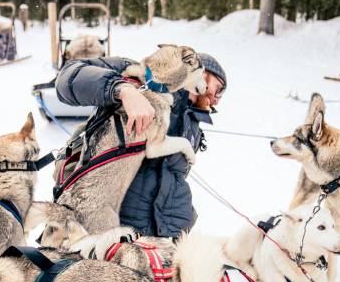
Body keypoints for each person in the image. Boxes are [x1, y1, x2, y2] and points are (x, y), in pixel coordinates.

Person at [54, 52, 226, 238]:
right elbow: (67, 77)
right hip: (103, 223)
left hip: (160, 236)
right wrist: (122, 90)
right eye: (219, 89)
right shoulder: (139, 75)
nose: (217, 99)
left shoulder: (193, 123)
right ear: (202, 71)